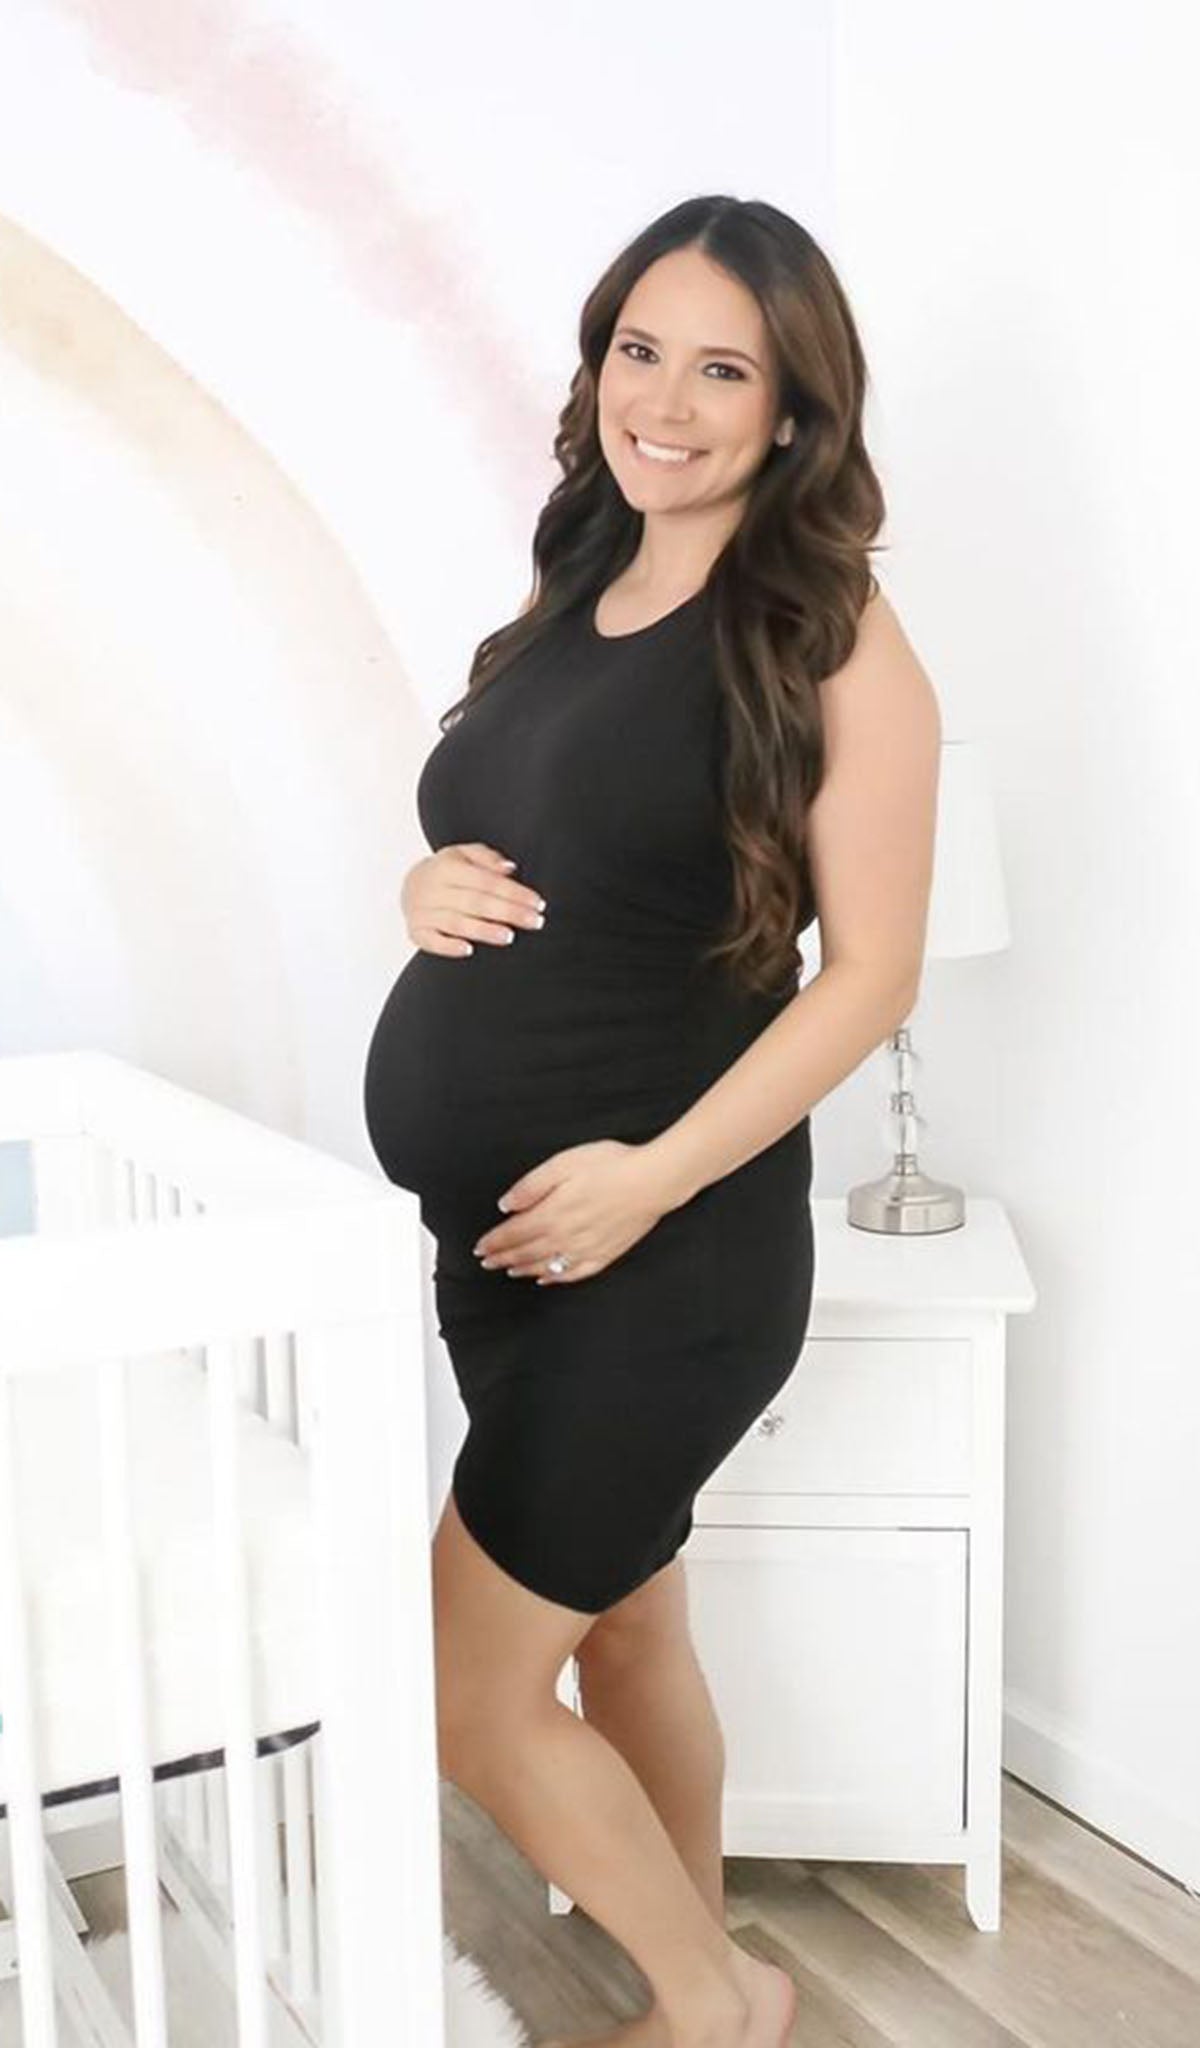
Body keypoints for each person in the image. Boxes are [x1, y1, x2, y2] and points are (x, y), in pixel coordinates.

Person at [363, 194, 941, 2048]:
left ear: (791, 413)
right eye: (640, 351)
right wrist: (422, 889)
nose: (667, 402)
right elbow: (546, 851)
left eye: (724, 369)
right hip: (510, 1259)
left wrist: (646, 1182)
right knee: (623, 1637)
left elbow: (873, 976)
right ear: (597, 360)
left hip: (665, 1254)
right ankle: (692, 1968)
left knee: (459, 1690)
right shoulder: (576, 589)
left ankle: (718, 2002)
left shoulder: (831, 631)